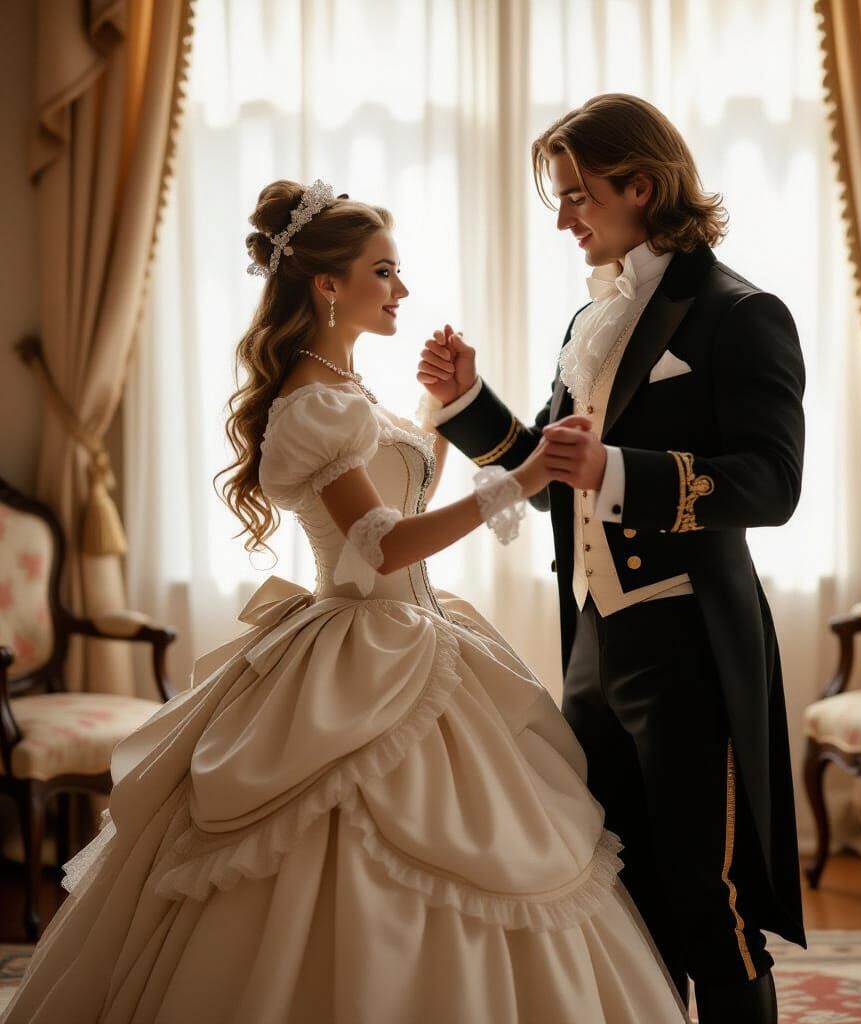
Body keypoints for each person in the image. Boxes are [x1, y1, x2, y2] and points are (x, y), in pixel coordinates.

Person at [1, 180, 689, 1024]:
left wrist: (443, 408)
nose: (400, 290)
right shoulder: (310, 403)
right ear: (328, 285)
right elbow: (381, 545)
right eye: (384, 272)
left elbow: (405, 492)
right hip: (362, 637)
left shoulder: (346, 389)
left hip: (414, 629)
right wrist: (525, 478)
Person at [419, 94, 807, 1024]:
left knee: (710, 904)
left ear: (641, 185)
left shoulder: (741, 314)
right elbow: (557, 473)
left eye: (576, 196)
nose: (562, 218)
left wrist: (622, 469)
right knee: (620, 896)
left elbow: (772, 484)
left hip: (693, 650)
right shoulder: (589, 320)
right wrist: (469, 400)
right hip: (593, 643)